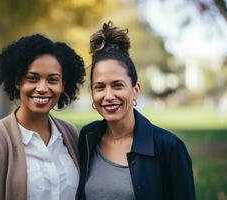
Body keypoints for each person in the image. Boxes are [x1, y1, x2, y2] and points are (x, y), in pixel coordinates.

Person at [77, 21, 195, 200]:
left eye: (117, 85)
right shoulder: (88, 137)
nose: (108, 96)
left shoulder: (169, 147)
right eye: (99, 87)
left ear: (135, 90)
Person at [0, 34, 85, 200]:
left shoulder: (69, 134)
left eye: (52, 80)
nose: (42, 88)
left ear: (63, 85)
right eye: (32, 78)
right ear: (17, 81)